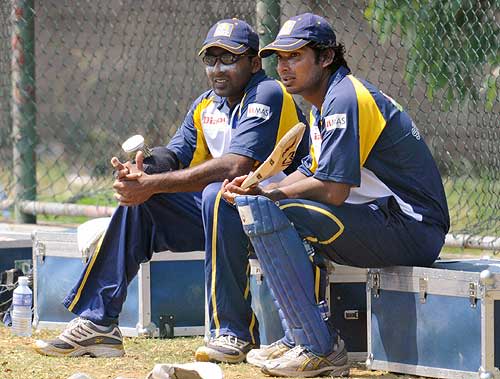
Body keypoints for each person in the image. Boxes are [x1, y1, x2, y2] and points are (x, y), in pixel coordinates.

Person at [33, 18, 309, 362]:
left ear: (254, 63)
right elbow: (176, 154)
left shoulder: (267, 93)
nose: (218, 69)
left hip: (284, 213)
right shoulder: (206, 104)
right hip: (229, 216)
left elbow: (236, 166)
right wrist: (143, 172)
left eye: (229, 59)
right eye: (211, 60)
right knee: (144, 202)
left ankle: (233, 332)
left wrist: (152, 184)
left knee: (215, 195)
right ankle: (97, 321)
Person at [222, 13, 450, 377]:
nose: (283, 67)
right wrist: (258, 187)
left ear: (326, 57)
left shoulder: (345, 98)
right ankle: (300, 336)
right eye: (279, 58)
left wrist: (273, 195)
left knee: (277, 210)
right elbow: (310, 170)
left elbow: (333, 189)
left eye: (295, 56)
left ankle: (319, 347)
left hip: (413, 228)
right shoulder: (324, 105)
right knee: (262, 206)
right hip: (385, 219)